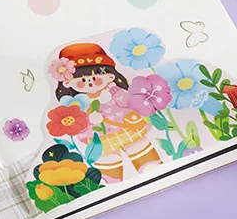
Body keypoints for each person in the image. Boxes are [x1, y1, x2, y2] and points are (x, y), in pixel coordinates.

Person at [50, 43, 162, 183]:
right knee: (108, 161)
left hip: (126, 128)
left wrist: (118, 94)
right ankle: (112, 182)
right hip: (99, 138)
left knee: (139, 148)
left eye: (95, 78)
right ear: (67, 83)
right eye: (82, 80)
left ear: (109, 76)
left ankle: (152, 168)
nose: (90, 83)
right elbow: (77, 123)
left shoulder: (113, 91)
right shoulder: (76, 103)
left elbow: (128, 102)